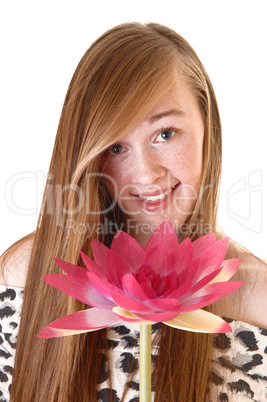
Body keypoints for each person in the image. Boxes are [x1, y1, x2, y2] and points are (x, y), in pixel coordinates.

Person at [0, 22, 266, 402]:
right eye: (115, 147)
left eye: (166, 133)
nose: (145, 174)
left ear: (208, 127)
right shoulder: (23, 279)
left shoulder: (258, 298)